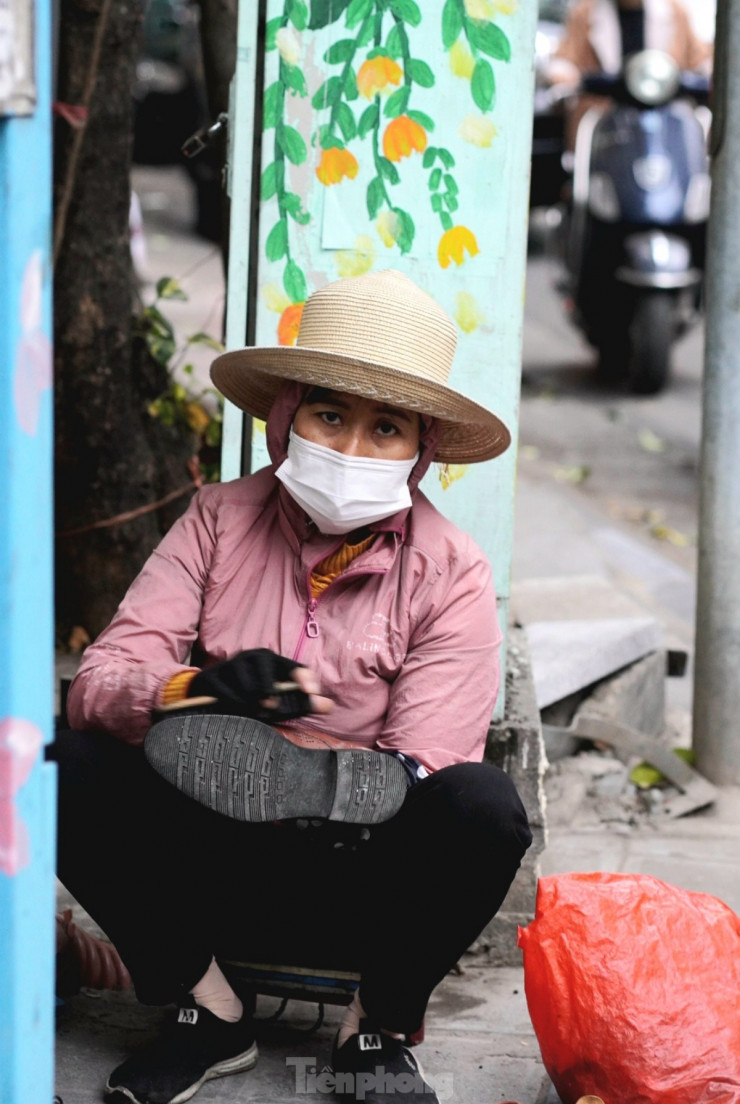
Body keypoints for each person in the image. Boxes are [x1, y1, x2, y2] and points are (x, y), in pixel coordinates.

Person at [50, 269, 533, 1104]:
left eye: (385, 428)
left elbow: (427, 761)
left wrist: (301, 762)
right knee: (56, 761)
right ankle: (209, 1011)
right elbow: (97, 686)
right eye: (331, 415)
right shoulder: (217, 519)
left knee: (484, 806)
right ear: (287, 417)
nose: (350, 449)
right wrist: (201, 693)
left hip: (357, 884)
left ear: (420, 449)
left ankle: (373, 1030)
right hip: (204, 870)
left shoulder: (450, 571)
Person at [547, 0, 711, 88]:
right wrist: (563, 73)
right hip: (602, 122)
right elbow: (563, 60)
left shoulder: (675, 11)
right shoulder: (584, 12)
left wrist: (710, 70)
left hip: (664, 120)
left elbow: (698, 58)